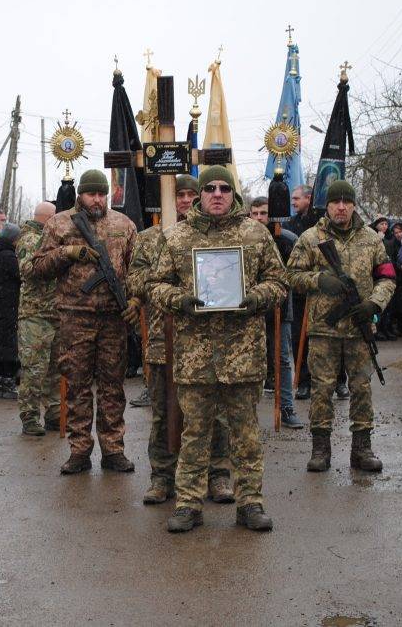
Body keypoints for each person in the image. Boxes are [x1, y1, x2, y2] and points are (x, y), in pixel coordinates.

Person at [148, 166, 288, 533]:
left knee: (245, 434)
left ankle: (250, 503)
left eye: (225, 188)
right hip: (195, 355)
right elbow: (156, 285)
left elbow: (279, 282)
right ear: (199, 194)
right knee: (195, 432)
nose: (217, 193)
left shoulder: (255, 235)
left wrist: (255, 296)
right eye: (209, 187)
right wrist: (180, 299)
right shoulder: (178, 238)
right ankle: (188, 504)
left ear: (234, 194)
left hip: (242, 354)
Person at [129, 175, 235, 505]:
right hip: (165, 338)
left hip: (211, 340)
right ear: (169, 199)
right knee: (163, 412)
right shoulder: (150, 239)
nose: (187, 200)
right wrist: (172, 280)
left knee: (215, 413)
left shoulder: (217, 236)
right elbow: (135, 282)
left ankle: (217, 475)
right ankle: (162, 476)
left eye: (192, 194)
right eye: (181, 194)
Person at [31, 169, 138, 475]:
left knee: (112, 386)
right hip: (74, 316)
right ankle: (79, 450)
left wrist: (134, 301)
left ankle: (113, 449)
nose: (97, 200)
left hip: (113, 319)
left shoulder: (123, 224)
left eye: (102, 194)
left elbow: (137, 270)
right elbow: (37, 267)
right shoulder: (59, 223)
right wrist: (69, 253)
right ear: (80, 194)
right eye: (92, 194)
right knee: (77, 386)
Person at [287, 181, 396, 473]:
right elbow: (291, 276)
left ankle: (362, 449)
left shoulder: (372, 239)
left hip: (360, 330)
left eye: (347, 201)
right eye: (336, 202)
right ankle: (320, 449)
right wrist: (318, 280)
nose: (342, 207)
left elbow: (387, 276)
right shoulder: (310, 238)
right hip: (324, 330)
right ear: (327, 205)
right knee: (322, 390)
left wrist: (374, 304)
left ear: (354, 205)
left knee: (361, 387)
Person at [247, 196, 304, 429]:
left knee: (282, 359)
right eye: (255, 214)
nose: (260, 218)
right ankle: (246, 413)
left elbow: (295, 273)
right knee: (249, 360)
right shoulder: (244, 238)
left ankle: (287, 408)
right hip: (251, 309)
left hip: (281, 308)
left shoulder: (288, 239)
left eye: (264, 213)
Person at [16, 202, 62, 436]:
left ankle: (54, 413)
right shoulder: (30, 240)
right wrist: (58, 258)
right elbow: (28, 270)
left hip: (54, 312)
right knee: (34, 369)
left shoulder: (49, 239)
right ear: (47, 218)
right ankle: (30, 416)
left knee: (55, 368)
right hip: (35, 315)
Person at [287, 185, 318, 400]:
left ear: (309, 198)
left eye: (297, 198)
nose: (293, 202)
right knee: (301, 338)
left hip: (323, 290)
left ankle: (339, 381)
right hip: (299, 291)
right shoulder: (291, 224)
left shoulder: (319, 221)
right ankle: (304, 381)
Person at [0, 222, 22, 400]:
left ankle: (2, 382)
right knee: (9, 343)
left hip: (1, 302)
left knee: (2, 342)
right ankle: (8, 383)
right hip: (9, 303)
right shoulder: (8, 256)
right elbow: (20, 275)